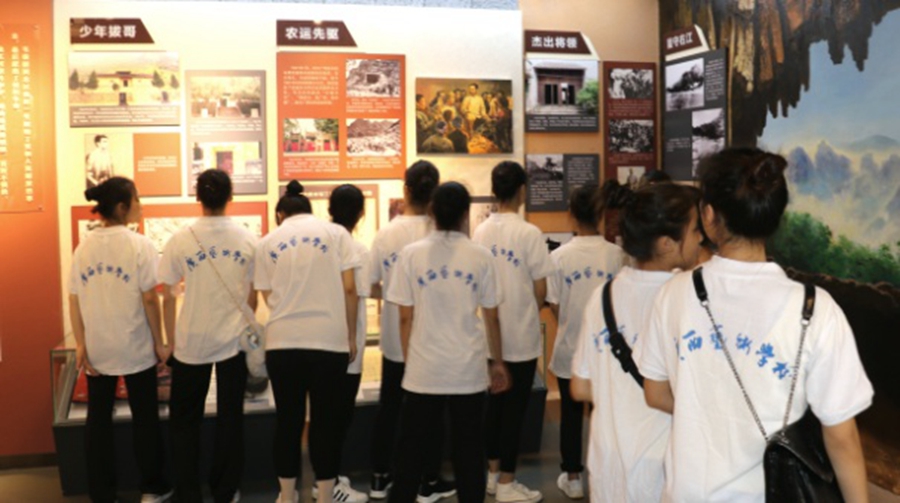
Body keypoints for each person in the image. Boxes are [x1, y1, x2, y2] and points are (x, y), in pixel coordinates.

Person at [635, 147, 874, 502]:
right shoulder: (815, 309)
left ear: (709, 215)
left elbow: (655, 393)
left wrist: (710, 413)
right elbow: (841, 436)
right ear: (775, 215)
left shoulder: (673, 295)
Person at [569, 181, 703, 503]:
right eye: (695, 229)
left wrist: (620, 396)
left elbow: (580, 388)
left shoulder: (602, 296)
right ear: (667, 243)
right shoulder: (688, 297)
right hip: (665, 465)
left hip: (608, 460)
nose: (701, 238)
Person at [386, 182, 511, 503]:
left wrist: (410, 361)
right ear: (464, 214)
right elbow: (492, 317)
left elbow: (404, 318)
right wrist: (497, 362)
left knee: (410, 453)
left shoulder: (411, 255)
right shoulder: (481, 256)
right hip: (467, 368)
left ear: (432, 212)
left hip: (423, 368)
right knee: (469, 452)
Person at [255, 180, 361, 503]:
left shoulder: (267, 242)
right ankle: (325, 496)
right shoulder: (337, 234)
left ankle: (287, 497)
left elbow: (267, 294)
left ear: (280, 214)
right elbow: (349, 289)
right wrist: (350, 335)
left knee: (288, 423)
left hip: (282, 343)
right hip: (329, 342)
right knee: (324, 423)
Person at [68, 177, 172, 503]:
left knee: (98, 423)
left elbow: (74, 299)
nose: (141, 205)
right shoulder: (139, 245)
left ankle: (102, 494)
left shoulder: (84, 248)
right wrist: (160, 341)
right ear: (122, 207)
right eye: (137, 199)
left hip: (98, 347)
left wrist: (81, 344)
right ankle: (151, 489)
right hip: (135, 346)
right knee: (145, 420)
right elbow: (150, 299)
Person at [158, 169, 256, 503]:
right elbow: (252, 295)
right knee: (231, 419)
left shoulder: (181, 239)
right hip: (234, 341)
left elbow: (168, 294)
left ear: (198, 197)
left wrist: (168, 341)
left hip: (191, 340)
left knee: (184, 421)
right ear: (231, 197)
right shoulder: (247, 239)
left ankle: (188, 492)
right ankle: (225, 490)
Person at [368, 161, 453, 501]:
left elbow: (370, 284)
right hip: (434, 339)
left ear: (406, 190)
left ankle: (379, 476)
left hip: (394, 338)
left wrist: (394, 295)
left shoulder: (387, 234)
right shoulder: (442, 235)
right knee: (431, 413)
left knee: (390, 408)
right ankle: (428, 480)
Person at [473, 161, 554, 503]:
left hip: (488, 338)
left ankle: (493, 476)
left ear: (494, 190)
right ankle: (506, 482)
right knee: (514, 413)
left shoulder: (480, 232)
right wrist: (528, 309)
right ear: (522, 191)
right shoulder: (529, 233)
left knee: (494, 408)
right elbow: (540, 288)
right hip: (520, 336)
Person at [545, 184, 627, 499]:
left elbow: (555, 305)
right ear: (600, 213)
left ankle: (573, 476)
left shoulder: (559, 257)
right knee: (605, 416)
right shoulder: (616, 255)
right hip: (609, 352)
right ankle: (606, 475)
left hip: (570, 349)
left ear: (571, 215)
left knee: (569, 416)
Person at [310, 184, 372, 503]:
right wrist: (350, 338)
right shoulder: (356, 249)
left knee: (323, 417)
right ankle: (330, 482)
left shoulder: (316, 244)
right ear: (361, 213)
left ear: (329, 209)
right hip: (346, 346)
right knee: (338, 419)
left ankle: (327, 479)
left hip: (318, 342)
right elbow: (357, 292)